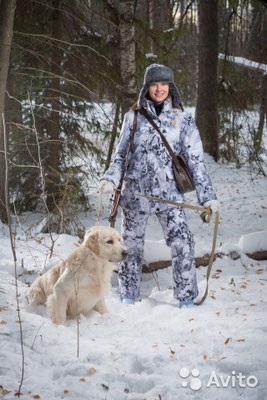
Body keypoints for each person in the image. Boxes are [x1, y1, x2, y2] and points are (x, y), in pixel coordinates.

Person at [99, 63, 220, 308]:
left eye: (164, 84)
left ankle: (186, 298)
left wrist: (207, 196)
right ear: (146, 88)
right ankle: (128, 295)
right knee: (129, 249)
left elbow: (196, 160)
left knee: (183, 243)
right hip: (135, 195)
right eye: (154, 84)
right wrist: (110, 177)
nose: (159, 89)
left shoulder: (182, 118)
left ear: (170, 87)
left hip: (170, 196)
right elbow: (121, 155)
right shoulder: (132, 117)